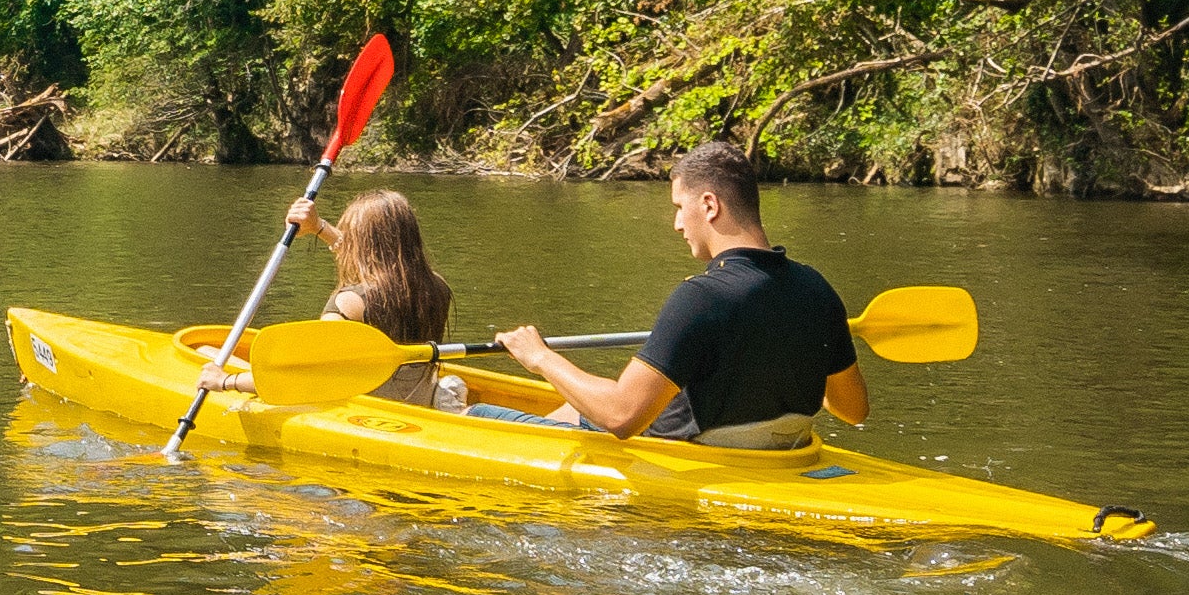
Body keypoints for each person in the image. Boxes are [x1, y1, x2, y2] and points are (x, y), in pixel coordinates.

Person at [479, 144, 864, 446]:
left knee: (475, 415)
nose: (677, 224)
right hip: (780, 454)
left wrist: (539, 357)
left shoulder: (702, 297)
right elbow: (853, 409)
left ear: (709, 205)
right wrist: (795, 346)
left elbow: (621, 417)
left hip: (688, 454)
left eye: (680, 207)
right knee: (570, 410)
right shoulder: (816, 289)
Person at [292, 187, 460, 400]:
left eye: (350, 236)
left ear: (359, 243)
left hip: (367, 409)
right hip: (421, 401)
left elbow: (311, 371)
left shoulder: (348, 303)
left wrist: (245, 382)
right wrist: (317, 226)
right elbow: (378, 261)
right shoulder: (438, 287)